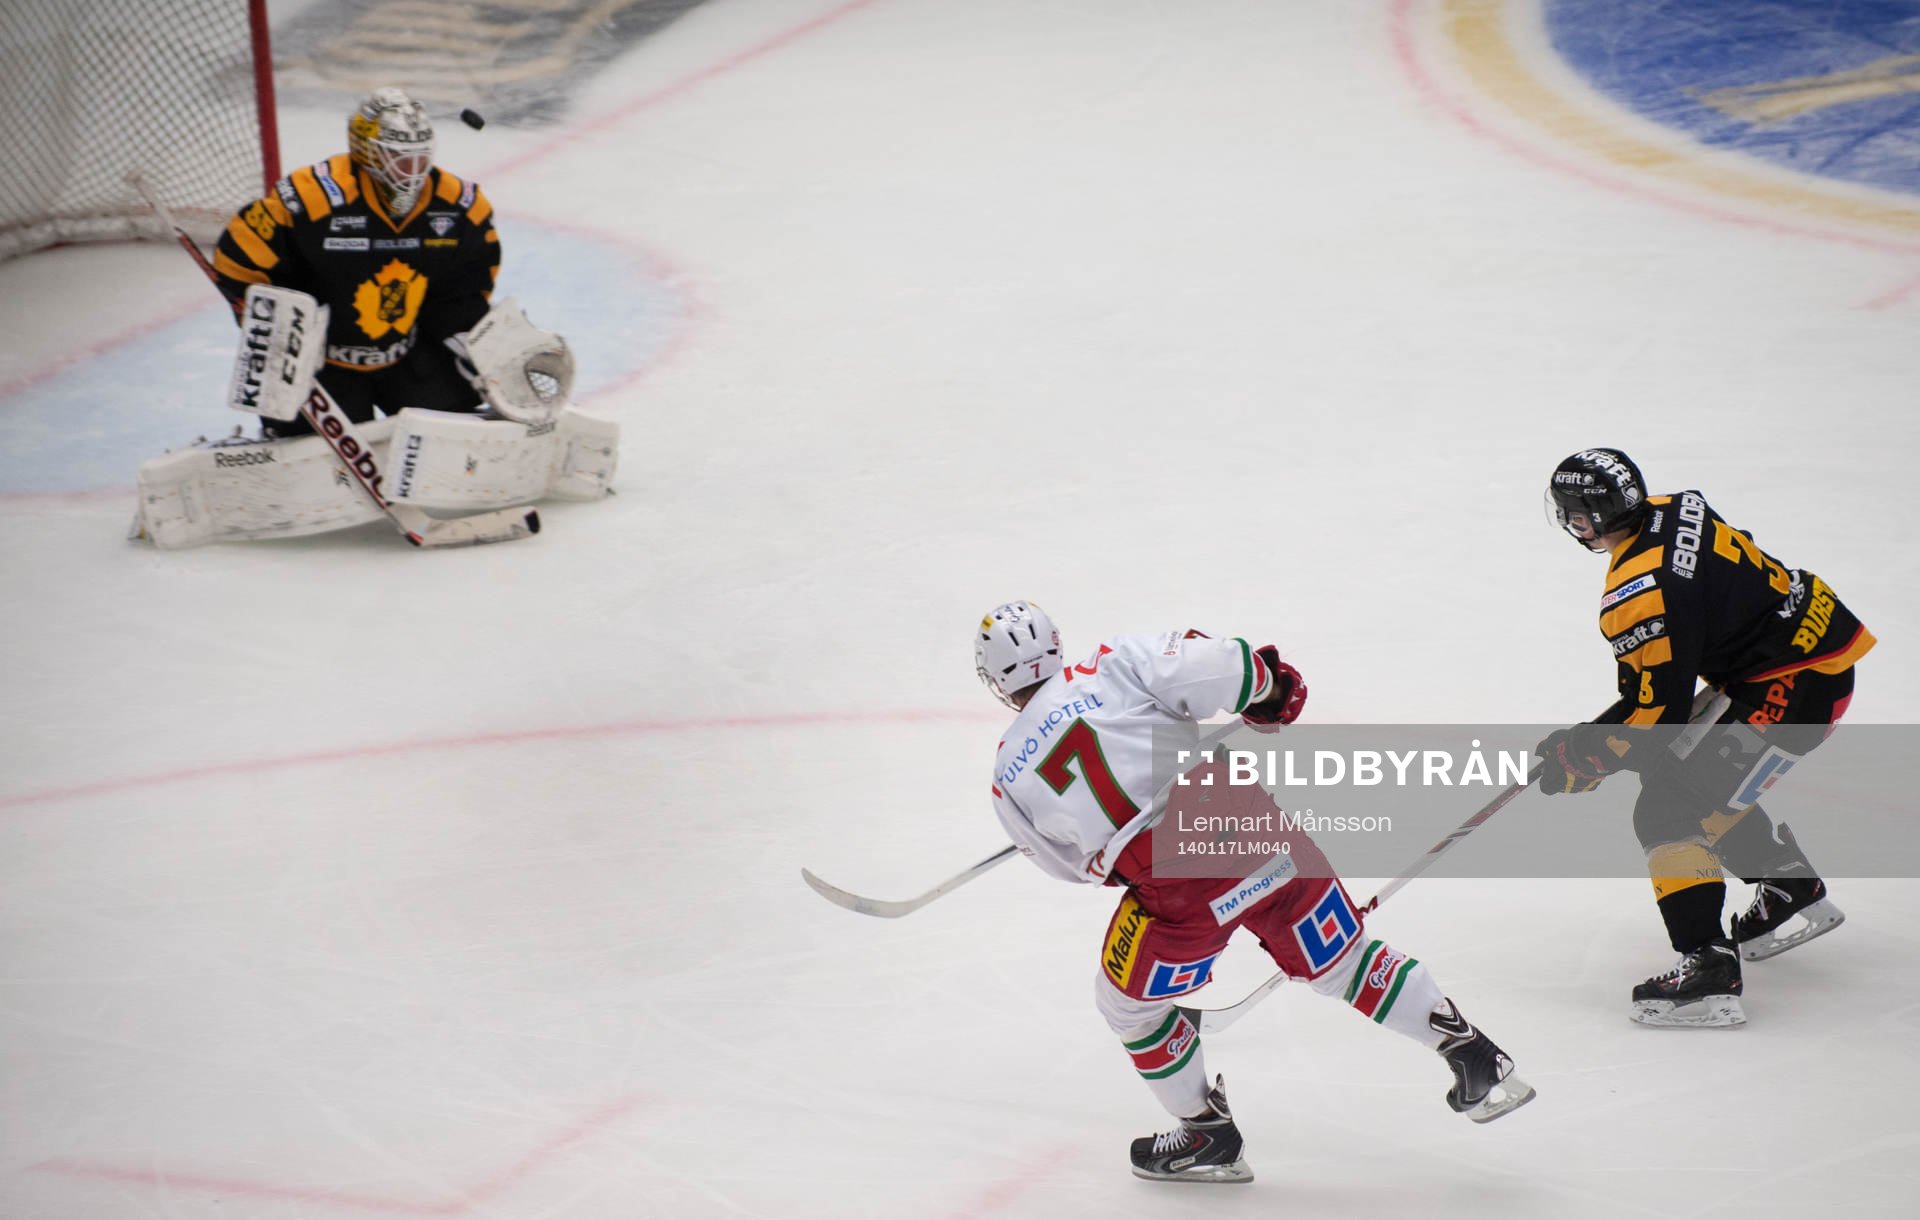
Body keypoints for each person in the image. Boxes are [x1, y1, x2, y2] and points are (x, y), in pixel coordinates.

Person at [977, 601, 1533, 1185]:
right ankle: (1475, 1058)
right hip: (1242, 815)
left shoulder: (1008, 770)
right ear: (1057, 643)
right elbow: (1221, 666)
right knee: (1343, 961)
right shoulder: (1110, 664)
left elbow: (1073, 867)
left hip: (1172, 882)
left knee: (1128, 1006)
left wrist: (1123, 858)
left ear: (995, 681)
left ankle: (1207, 1137)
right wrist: (1269, 689)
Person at [1538, 448, 1873, 1027]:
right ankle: (1787, 887)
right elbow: (1668, 677)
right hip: (1804, 656)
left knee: (1667, 811)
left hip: (1787, 691)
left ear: (1590, 519)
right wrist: (1593, 739)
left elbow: (1659, 716)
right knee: (1680, 776)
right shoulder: (1675, 509)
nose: (1570, 524)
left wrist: (1589, 755)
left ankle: (1707, 967)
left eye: (1572, 514)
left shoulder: (1638, 591)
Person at [211, 87, 500, 437]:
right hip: (320, 367)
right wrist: (275, 328)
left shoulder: (458, 206)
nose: (412, 170)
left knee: (453, 430)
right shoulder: (312, 198)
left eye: (420, 157)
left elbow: (469, 282)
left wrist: (467, 332)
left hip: (405, 356)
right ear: (369, 153)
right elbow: (239, 257)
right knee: (309, 452)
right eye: (398, 157)